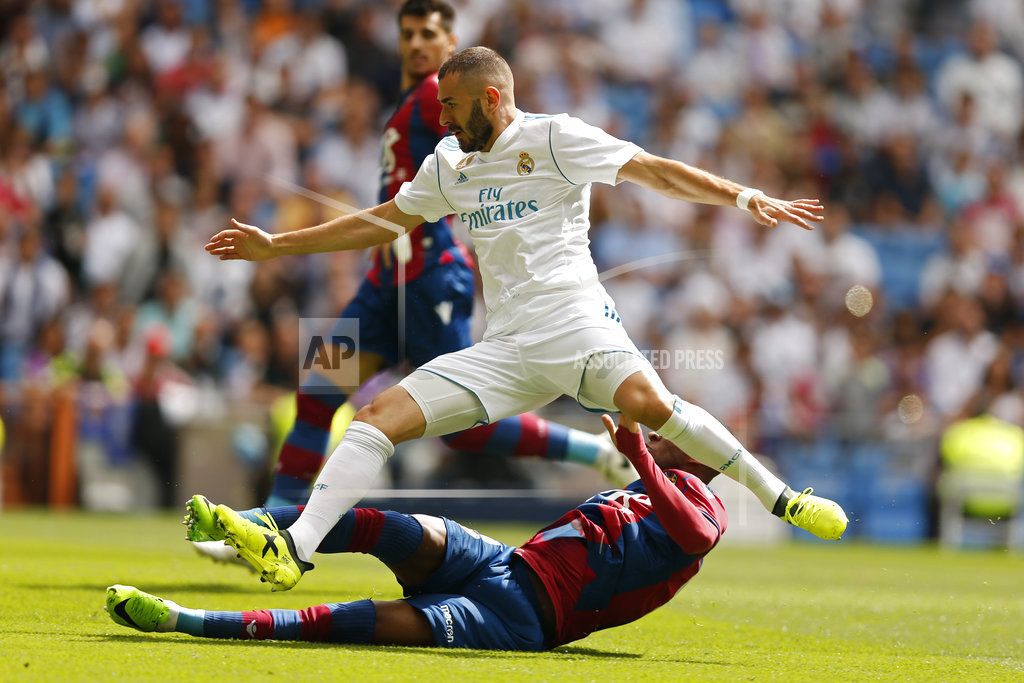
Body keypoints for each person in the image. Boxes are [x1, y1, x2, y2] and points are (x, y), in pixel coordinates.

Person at [203, 46, 847, 591]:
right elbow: (380, 223)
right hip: (505, 347)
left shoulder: (554, 138)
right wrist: (276, 246)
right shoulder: (448, 165)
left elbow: (653, 170)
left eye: (452, 107)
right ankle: (297, 549)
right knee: (375, 418)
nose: (444, 120)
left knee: (651, 405)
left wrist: (743, 195)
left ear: (490, 97)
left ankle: (780, 495)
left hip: (578, 326)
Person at [259, 0, 632, 509]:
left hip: (430, 277)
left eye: (427, 34)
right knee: (318, 387)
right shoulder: (413, 100)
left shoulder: (442, 96)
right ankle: (272, 522)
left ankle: (591, 449)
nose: (415, 43)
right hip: (383, 280)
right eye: (407, 34)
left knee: (459, 425)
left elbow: (496, 151)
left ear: (449, 45)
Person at [106, 414, 729, 650]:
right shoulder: (644, 486)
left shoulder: (702, 502)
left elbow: (694, 537)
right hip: (504, 564)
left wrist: (642, 458)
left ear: (703, 457)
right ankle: (269, 533)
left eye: (681, 432)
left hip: (528, 621)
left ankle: (184, 620)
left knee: (355, 621)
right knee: (386, 525)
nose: (665, 431)